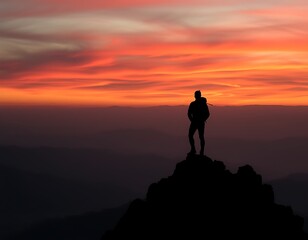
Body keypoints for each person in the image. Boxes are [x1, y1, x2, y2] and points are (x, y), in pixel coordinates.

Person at [187, 90, 210, 156]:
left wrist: (192, 120)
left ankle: (193, 150)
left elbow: (189, 113)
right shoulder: (203, 104)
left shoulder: (193, 104)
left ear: (195, 96)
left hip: (195, 122)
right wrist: (203, 119)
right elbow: (208, 114)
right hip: (200, 122)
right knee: (201, 137)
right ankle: (201, 152)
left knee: (191, 135)